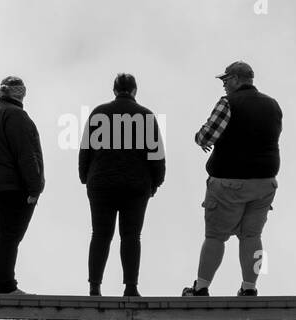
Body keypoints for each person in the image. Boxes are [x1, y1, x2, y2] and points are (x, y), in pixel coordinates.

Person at [182, 61, 282, 297]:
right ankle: (249, 288)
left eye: (226, 80)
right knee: (253, 237)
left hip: (229, 182)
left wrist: (200, 139)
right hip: (265, 182)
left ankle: (202, 287)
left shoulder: (229, 102)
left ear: (237, 80)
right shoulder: (273, 105)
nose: (224, 86)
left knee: (215, 236)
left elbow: (207, 134)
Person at [78, 73, 165, 297]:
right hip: (136, 186)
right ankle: (131, 287)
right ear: (135, 90)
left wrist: (86, 177)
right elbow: (156, 155)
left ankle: (95, 286)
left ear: (114, 90)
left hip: (101, 183)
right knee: (131, 236)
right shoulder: (146, 116)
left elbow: (85, 151)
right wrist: (156, 182)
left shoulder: (99, 113)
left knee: (100, 235)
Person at [0, 75, 45, 294]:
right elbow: (26, 154)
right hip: (14, 187)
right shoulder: (18, 116)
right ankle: (5, 285)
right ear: (21, 92)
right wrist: (35, 187)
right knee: (10, 236)